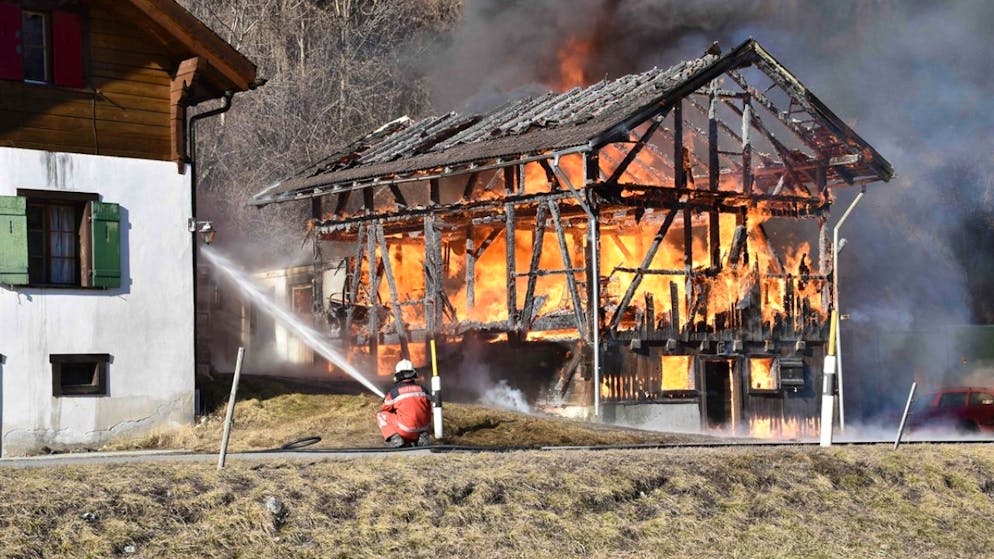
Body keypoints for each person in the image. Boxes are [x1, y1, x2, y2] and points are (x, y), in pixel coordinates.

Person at [376, 359, 432, 448]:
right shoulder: (423, 390)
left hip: (405, 430)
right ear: (414, 373)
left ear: (397, 375)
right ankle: (422, 437)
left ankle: (395, 439)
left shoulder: (395, 392)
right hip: (422, 430)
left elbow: (384, 409)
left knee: (380, 415)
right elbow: (428, 409)